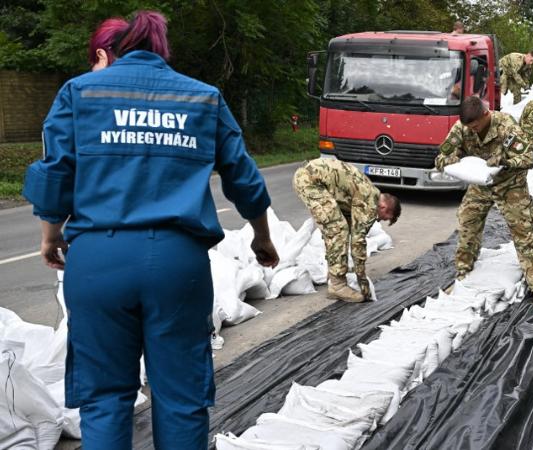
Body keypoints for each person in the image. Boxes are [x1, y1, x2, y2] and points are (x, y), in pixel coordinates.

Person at [23, 11, 279, 450]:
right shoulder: (203, 98)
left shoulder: (79, 93)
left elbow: (54, 175)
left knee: (105, 398)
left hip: (98, 262)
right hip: (179, 266)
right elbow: (245, 178)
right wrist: (261, 235)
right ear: (162, 51)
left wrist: (51, 235)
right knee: (181, 397)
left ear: (111, 52)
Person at [436, 96, 533, 308]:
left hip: (510, 184)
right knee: (467, 221)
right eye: (468, 126)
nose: (472, 130)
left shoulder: (506, 126)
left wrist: (505, 162)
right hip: (481, 184)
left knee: (523, 231)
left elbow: (527, 159)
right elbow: (441, 156)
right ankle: (464, 272)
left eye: (475, 126)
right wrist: (450, 161)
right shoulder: (461, 128)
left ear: (486, 115)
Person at [293, 158, 401, 303]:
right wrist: (362, 280)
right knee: (338, 230)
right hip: (311, 182)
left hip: (312, 177)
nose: (380, 220)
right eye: (386, 217)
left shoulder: (369, 193)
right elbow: (358, 242)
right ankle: (337, 286)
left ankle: (333, 273)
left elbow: (352, 225)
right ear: (383, 207)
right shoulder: (369, 203)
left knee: (341, 227)